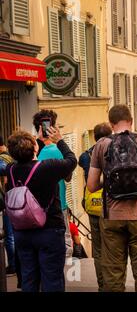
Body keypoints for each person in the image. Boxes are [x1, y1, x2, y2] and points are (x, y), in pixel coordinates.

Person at [87, 105, 137, 292]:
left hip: (112, 217)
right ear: (131, 121)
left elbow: (91, 186)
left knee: (113, 275)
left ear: (111, 123)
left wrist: (109, 181)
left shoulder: (101, 145)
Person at [5, 128, 77, 292]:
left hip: (22, 232)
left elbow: (24, 157)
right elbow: (71, 161)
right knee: (52, 278)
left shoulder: (10, 170)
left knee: (29, 278)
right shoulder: (47, 167)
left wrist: (35, 141)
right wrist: (59, 140)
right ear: (34, 148)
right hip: (49, 230)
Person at [33, 110, 74, 258]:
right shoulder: (60, 151)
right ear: (54, 128)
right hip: (59, 205)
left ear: (38, 130)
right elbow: (68, 177)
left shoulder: (33, 152)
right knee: (64, 245)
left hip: (36, 208)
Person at [78, 122, 112, 291]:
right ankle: (112, 283)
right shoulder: (115, 151)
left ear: (94, 137)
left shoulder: (86, 155)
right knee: (112, 248)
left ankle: (102, 285)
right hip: (110, 204)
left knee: (97, 249)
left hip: (92, 203)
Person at [0, 135, 16, 275]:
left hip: (9, 201)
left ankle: (13, 266)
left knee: (9, 236)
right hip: (17, 200)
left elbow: (6, 180)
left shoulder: (3, 159)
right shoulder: (13, 156)